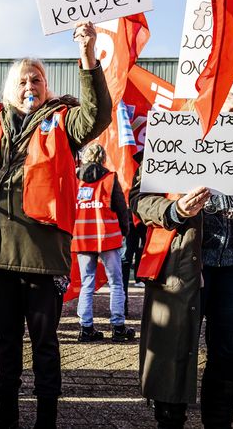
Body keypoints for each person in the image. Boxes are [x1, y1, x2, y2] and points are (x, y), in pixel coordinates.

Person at [0, 9, 112, 428]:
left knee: (45, 343)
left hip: (41, 255)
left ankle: (46, 419)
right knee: (7, 341)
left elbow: (97, 114)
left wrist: (87, 55)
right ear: (10, 89)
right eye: (23, 81)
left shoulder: (63, 120)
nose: (30, 85)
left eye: (37, 79)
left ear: (47, 87)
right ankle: (6, 415)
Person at [130, 95, 233, 428]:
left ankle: (219, 422)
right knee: (174, 350)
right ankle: (170, 421)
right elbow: (140, 198)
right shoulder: (174, 131)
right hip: (182, 265)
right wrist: (175, 210)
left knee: (229, 353)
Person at [72, 143, 133, 342]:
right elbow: (121, 208)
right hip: (107, 236)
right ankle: (118, 327)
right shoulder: (109, 178)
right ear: (103, 158)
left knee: (86, 283)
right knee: (116, 282)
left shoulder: (75, 178)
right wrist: (124, 230)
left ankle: (86, 328)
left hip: (82, 237)